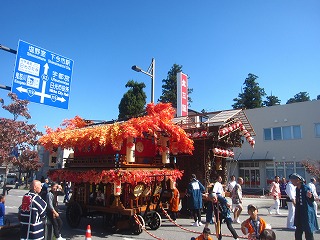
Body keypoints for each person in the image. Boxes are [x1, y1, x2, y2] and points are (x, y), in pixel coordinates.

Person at [290, 173, 319, 240]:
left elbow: (311, 199)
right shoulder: (297, 189)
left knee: (308, 232)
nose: (291, 182)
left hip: (307, 212)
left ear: (298, 180)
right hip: (299, 212)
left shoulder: (306, 188)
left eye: (292, 180)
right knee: (298, 232)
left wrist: (310, 196)